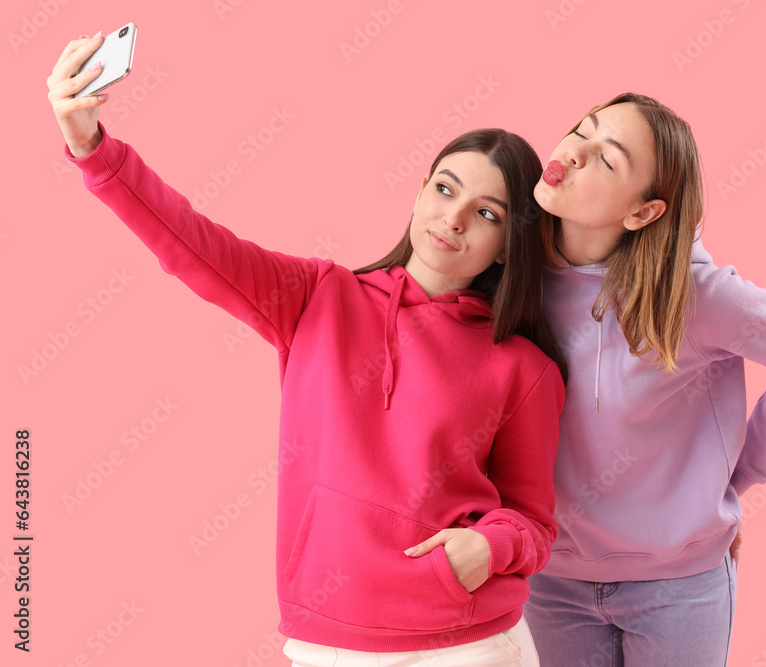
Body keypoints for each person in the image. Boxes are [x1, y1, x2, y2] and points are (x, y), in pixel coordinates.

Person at [48, 32, 567, 667]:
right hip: (330, 638)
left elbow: (534, 524)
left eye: (487, 214)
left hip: (470, 643)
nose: (453, 218)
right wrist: (92, 149)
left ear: (511, 245)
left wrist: (487, 549)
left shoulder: (523, 368)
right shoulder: (317, 297)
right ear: (420, 190)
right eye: (444, 188)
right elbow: (189, 241)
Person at [521, 92, 766, 665]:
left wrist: (743, 473)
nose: (573, 152)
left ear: (643, 212)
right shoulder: (513, 278)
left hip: (679, 588)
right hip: (550, 581)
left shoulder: (692, 297)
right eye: (581, 130)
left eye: (607, 158)